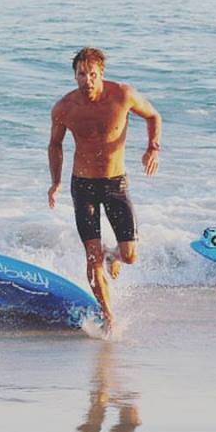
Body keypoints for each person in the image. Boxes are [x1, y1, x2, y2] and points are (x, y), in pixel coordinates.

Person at [46, 48, 161, 330]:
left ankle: (113, 255)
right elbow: (55, 144)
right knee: (92, 255)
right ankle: (109, 317)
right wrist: (56, 181)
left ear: (102, 74)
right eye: (81, 74)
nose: (87, 80)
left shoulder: (123, 95)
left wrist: (152, 148)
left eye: (92, 74)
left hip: (115, 183)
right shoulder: (64, 108)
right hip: (82, 185)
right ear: (74, 75)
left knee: (130, 255)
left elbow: (153, 116)